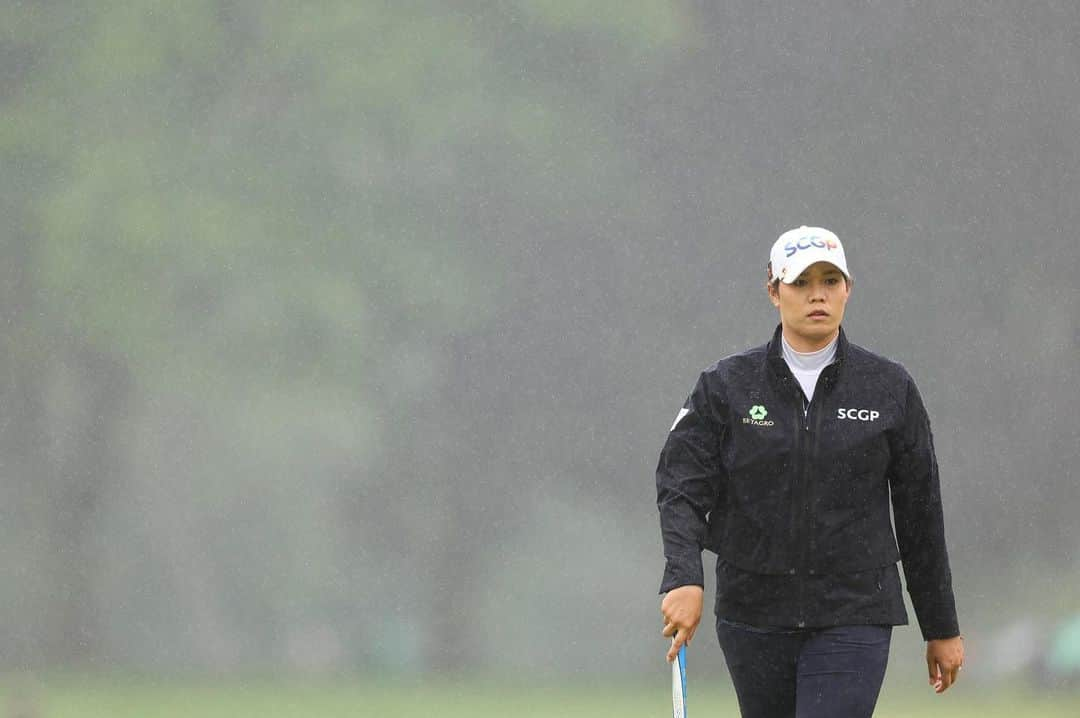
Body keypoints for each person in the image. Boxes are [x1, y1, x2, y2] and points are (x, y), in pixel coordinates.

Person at [655, 227, 964, 718]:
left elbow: (920, 513)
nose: (817, 293)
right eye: (800, 283)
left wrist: (940, 624)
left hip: (854, 612)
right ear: (774, 292)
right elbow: (681, 489)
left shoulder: (888, 388)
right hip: (752, 613)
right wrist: (684, 577)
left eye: (830, 280)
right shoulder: (725, 386)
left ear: (848, 289)